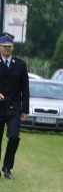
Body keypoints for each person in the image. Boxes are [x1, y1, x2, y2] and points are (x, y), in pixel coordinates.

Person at [0, 33, 30, 180]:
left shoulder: (20, 65)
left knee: (14, 137)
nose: (7, 49)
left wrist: (25, 109)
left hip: (14, 107)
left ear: (13, 47)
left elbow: (25, 88)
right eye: (4, 46)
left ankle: (7, 167)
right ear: (0, 47)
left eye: (9, 46)